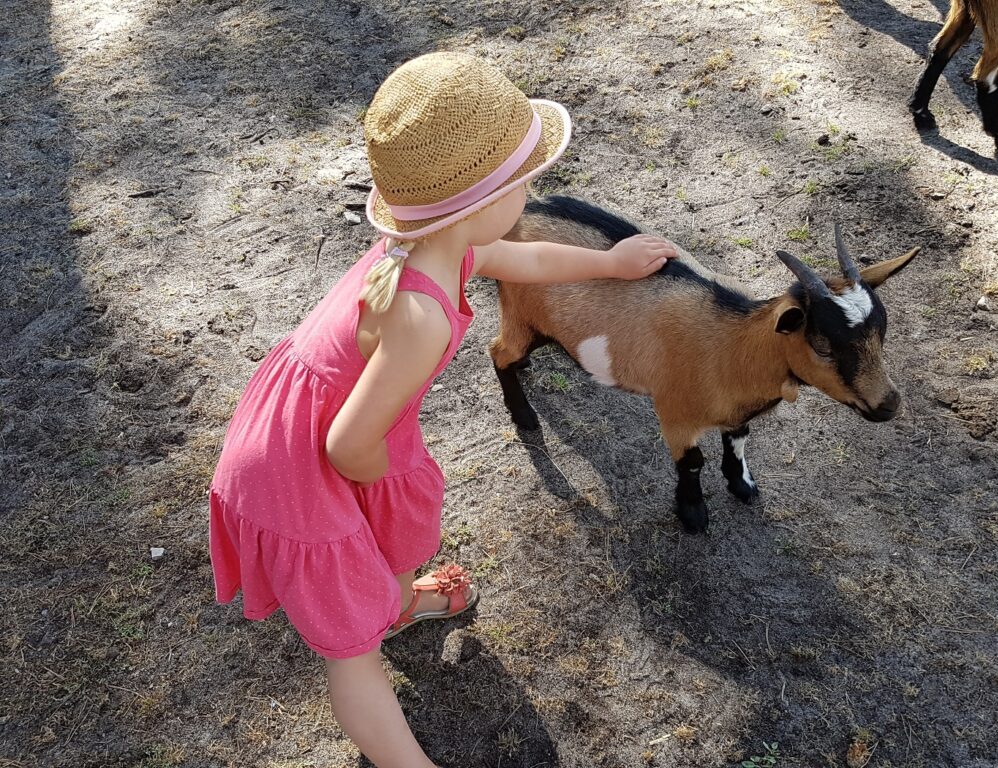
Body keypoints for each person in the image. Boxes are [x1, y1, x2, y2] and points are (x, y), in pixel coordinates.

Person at [208, 51, 675, 767]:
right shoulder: (421, 316)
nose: (534, 193)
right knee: (352, 649)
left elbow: (528, 262)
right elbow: (344, 448)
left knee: (395, 521)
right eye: (526, 183)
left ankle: (394, 603)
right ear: (482, 203)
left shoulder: (435, 244)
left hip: (338, 427)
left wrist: (610, 265)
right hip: (298, 468)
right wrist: (381, 474)